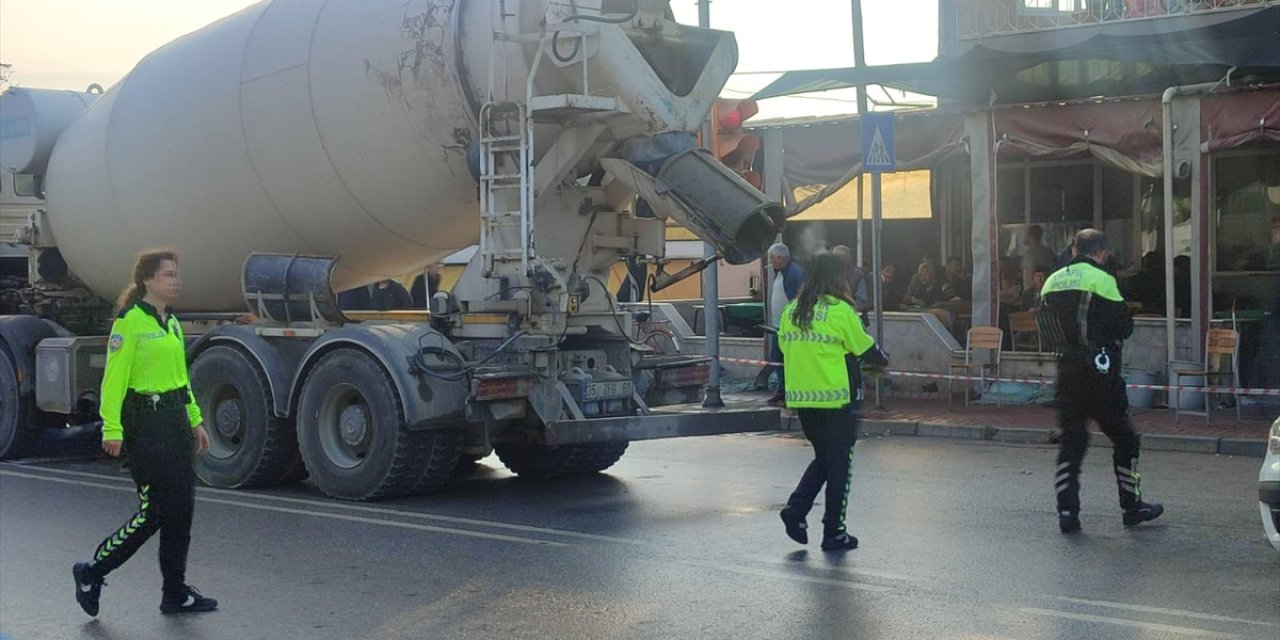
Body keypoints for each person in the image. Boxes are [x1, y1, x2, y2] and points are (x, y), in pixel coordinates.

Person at [73, 249, 218, 616]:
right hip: (146, 425)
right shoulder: (130, 321)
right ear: (147, 280)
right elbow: (114, 379)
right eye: (168, 274)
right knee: (154, 511)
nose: (176, 280)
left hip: (174, 424)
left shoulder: (170, 323)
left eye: (176, 274)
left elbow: (180, 379)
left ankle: (174, 593)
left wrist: (196, 420)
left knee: (181, 513)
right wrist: (112, 426)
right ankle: (93, 571)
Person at [1039, 229, 1163, 533]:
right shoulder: (1103, 279)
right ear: (1102, 252)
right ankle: (1131, 507)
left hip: (1066, 371)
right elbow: (1122, 326)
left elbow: (1045, 327)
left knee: (1072, 440)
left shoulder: (1051, 281)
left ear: (1073, 250)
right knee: (1124, 439)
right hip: (1100, 372)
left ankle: (1067, 513)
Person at [777, 253, 889, 552]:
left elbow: (783, 348)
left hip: (803, 401)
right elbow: (866, 348)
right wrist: (882, 360)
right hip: (838, 400)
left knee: (825, 459)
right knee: (840, 466)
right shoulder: (840, 311)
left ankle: (796, 510)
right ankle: (834, 532)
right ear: (837, 279)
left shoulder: (791, 311)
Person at [767, 243, 805, 406]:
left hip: (788, 328)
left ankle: (788, 392)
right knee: (777, 359)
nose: (770, 261)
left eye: (772, 258)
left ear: (780, 258)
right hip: (779, 327)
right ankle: (783, 391)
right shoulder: (781, 273)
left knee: (783, 360)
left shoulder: (794, 273)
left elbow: (799, 296)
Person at [831, 245, 871, 314]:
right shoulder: (830, 274)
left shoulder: (857, 275)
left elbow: (862, 302)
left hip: (852, 316)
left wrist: (843, 310)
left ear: (847, 258)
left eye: (840, 257)